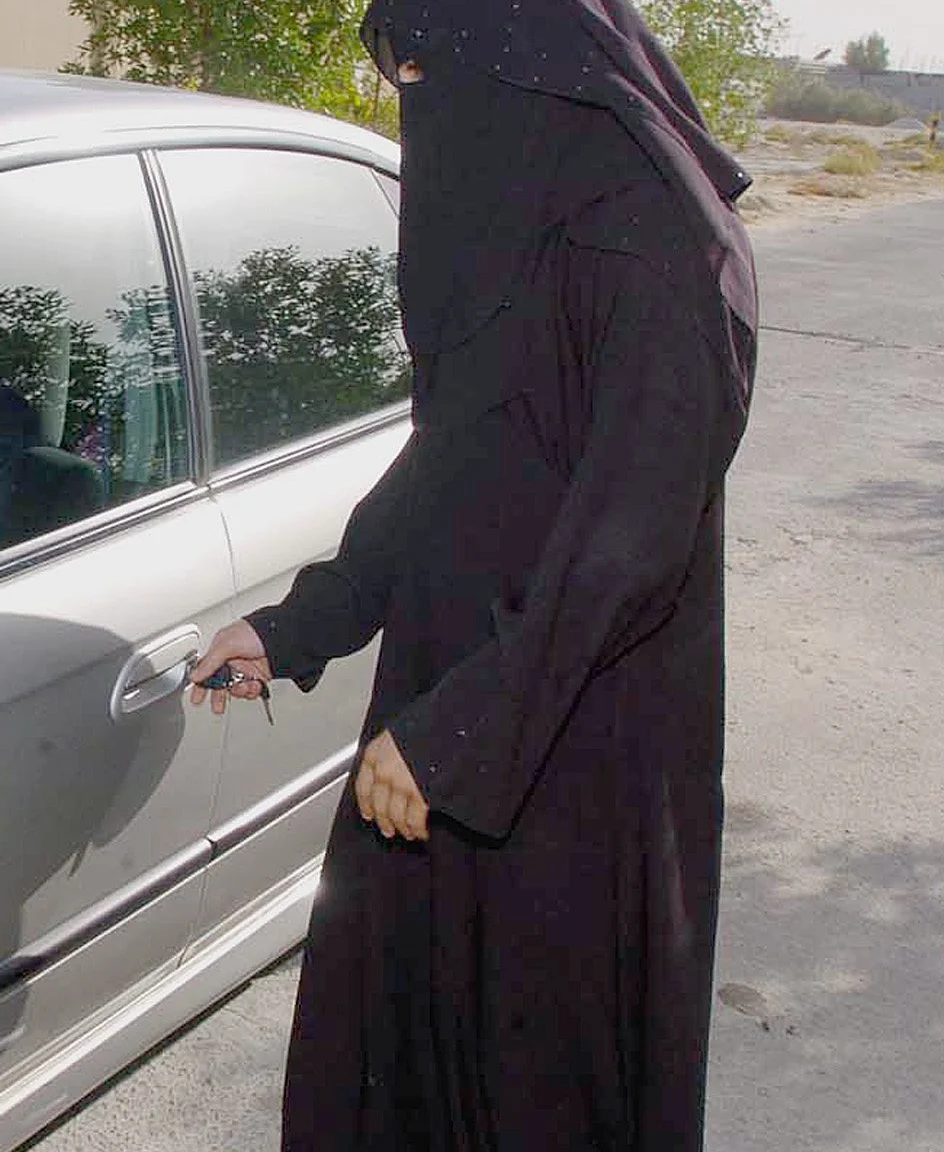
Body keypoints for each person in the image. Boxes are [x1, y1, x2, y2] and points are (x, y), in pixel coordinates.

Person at [188, 0, 758, 1147]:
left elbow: (629, 539)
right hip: (450, 707)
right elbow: (453, 456)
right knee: (401, 1055)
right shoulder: (522, 220)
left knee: (537, 1076)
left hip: (570, 747)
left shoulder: (653, 250)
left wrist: (461, 737)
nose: (409, 98)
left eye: (419, 70)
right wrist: (306, 623)